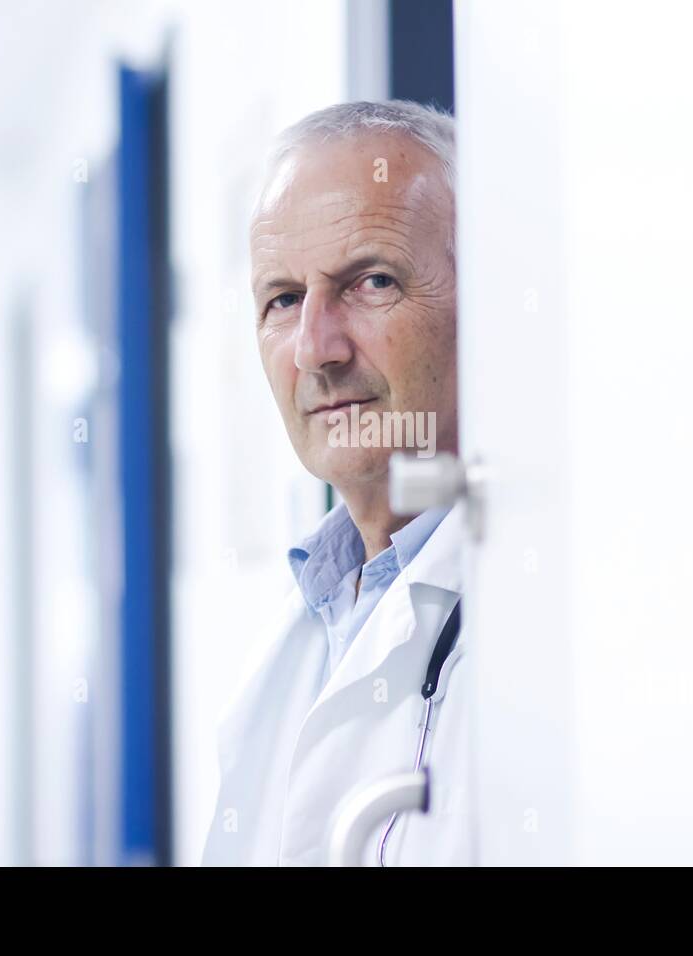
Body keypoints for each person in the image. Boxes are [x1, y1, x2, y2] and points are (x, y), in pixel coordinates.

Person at [201, 100, 472, 866]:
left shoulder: (535, 612)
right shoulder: (300, 626)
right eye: (283, 300)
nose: (315, 349)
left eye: (372, 281)